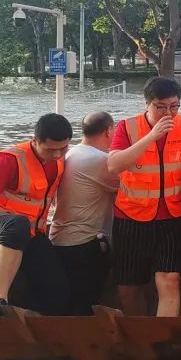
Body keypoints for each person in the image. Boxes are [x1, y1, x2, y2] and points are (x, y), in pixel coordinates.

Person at [107, 76, 181, 317]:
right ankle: (140, 338)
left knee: (170, 278)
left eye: (174, 106)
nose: (168, 113)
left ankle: (162, 339)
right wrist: (151, 137)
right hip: (132, 215)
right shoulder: (127, 127)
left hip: (174, 215)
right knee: (129, 288)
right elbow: (114, 165)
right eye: (161, 106)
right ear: (147, 103)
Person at [0, 114, 72, 316]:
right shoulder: (10, 160)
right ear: (35, 141)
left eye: (63, 148)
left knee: (58, 289)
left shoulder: (58, 162)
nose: (58, 154)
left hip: (30, 232)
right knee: (17, 224)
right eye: (50, 150)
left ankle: (35, 326)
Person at [50, 111, 118, 315]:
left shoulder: (72, 153)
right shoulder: (99, 160)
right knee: (84, 305)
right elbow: (133, 188)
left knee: (73, 302)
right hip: (84, 244)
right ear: (109, 131)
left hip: (60, 238)